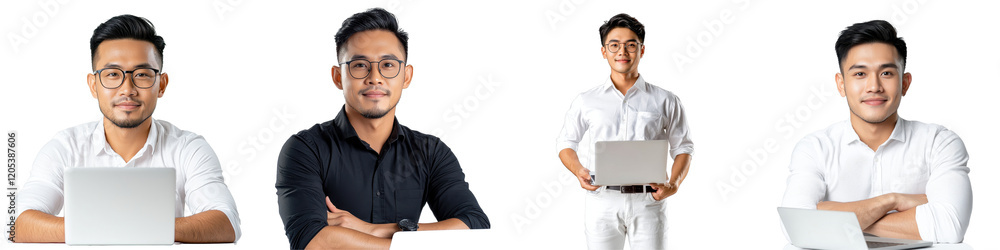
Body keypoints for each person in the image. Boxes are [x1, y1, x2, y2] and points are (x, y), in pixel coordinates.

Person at [14, 14, 241, 243]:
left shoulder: (189, 148)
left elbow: (226, 222)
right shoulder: (64, 148)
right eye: (113, 74)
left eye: (142, 74)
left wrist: (103, 224)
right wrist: (138, 224)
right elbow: (19, 222)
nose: (127, 89)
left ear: (161, 85)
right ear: (94, 85)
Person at [275, 8, 490, 249]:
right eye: (359, 65)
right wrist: (415, 242)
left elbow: (474, 226)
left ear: (406, 76)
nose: (375, 77)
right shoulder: (306, 149)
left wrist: (373, 230)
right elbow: (311, 241)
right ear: (338, 77)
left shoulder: (431, 152)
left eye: (388, 64)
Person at [780, 20, 972, 243]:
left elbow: (950, 227)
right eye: (860, 74)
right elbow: (797, 227)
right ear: (841, 84)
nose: (874, 87)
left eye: (887, 73)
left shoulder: (939, 143)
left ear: (905, 83)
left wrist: (833, 219)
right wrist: (891, 201)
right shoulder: (815, 148)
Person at [556, 13, 694, 250]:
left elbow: (683, 147)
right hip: (602, 202)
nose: (622, 52)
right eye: (614, 45)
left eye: (631, 45)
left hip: (649, 201)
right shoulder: (586, 101)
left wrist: (674, 183)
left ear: (641, 50)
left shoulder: (666, 100)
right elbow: (566, 143)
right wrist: (579, 170)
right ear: (604, 52)